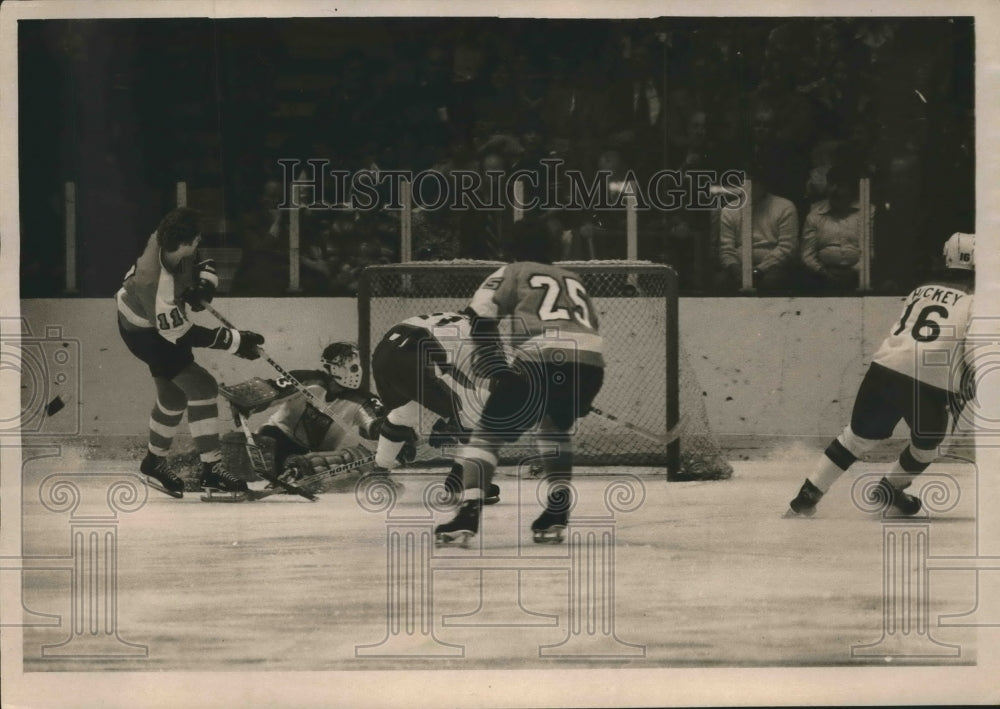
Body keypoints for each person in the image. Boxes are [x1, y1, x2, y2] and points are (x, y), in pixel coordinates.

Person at [434, 216, 605, 545]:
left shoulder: (510, 271)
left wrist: (497, 370)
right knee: (554, 430)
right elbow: (587, 331)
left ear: (509, 246)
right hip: (589, 365)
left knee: (485, 437)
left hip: (540, 359)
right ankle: (557, 510)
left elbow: (481, 321)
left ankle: (467, 514)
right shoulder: (573, 278)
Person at [785, 232, 975, 518]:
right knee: (929, 448)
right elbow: (975, 349)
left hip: (885, 367)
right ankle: (889, 489)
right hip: (931, 381)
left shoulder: (920, 289)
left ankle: (805, 499)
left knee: (854, 439)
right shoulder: (980, 299)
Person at [116, 207, 265, 498]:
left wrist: (203, 285)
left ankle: (154, 462)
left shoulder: (165, 237)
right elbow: (180, 335)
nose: (198, 243)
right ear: (183, 243)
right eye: (195, 240)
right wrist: (234, 342)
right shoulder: (155, 285)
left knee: (173, 396)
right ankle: (212, 470)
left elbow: (200, 260)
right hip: (147, 333)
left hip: (149, 321)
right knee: (202, 387)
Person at [368, 310, 500, 504]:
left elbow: (452, 378)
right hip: (416, 357)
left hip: (383, 355)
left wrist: (450, 418)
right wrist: (452, 420)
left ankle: (379, 473)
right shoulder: (482, 334)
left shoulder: (448, 317)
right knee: (479, 411)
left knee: (403, 414)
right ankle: (462, 481)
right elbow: (480, 390)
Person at [253, 342, 385, 478]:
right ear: (333, 367)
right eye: (351, 365)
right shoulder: (306, 380)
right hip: (278, 437)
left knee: (349, 463)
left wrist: (391, 432)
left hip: (314, 456)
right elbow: (268, 393)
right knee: (266, 441)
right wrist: (249, 401)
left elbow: (376, 424)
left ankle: (295, 474)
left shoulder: (363, 400)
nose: (357, 371)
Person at [717, 163, 799, 292]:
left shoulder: (784, 207)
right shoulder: (729, 210)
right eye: (742, 184)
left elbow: (787, 248)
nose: (747, 188)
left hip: (772, 266)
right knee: (721, 282)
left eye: (753, 183)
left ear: (762, 184)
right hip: (740, 266)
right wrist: (735, 269)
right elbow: (726, 249)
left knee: (771, 282)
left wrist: (758, 270)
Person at [800, 164, 873, 292]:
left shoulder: (868, 212)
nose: (834, 190)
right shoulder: (815, 214)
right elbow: (807, 255)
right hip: (822, 275)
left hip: (860, 275)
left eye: (841, 185)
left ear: (853, 190)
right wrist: (822, 272)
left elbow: (871, 251)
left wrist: (854, 271)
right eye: (831, 184)